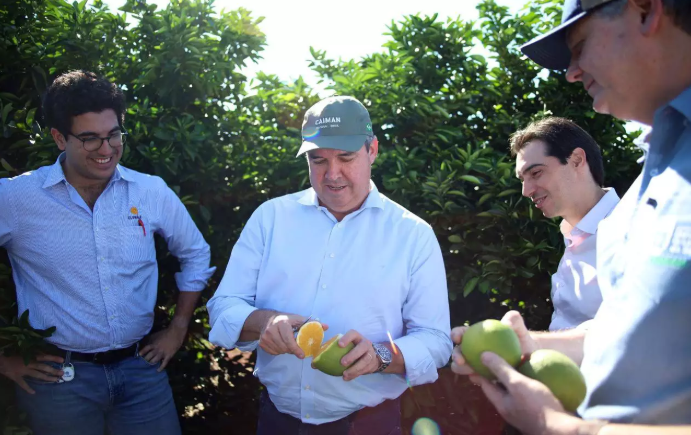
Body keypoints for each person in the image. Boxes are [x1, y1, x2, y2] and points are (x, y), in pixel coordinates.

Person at [451, 0, 691, 434]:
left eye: (580, 46)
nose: (571, 72)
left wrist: (559, 426)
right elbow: (620, 335)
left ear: (644, 10)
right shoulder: (650, 187)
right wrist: (527, 345)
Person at [207, 96, 452, 435]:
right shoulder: (271, 218)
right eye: (318, 159)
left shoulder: (413, 234)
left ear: (372, 150)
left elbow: (436, 340)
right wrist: (264, 322)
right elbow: (222, 307)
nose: (332, 174)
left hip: (369, 425)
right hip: (278, 420)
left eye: (346, 157)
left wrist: (381, 356)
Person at [0, 70, 216, 435]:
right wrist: (3, 360)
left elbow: (195, 254)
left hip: (142, 371)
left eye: (114, 134)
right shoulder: (16, 198)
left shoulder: (150, 191)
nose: (106, 149)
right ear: (58, 138)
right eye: (89, 138)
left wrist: (179, 328)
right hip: (59, 382)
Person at [511, 117, 619, 331]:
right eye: (522, 179)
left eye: (536, 173)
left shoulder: (631, 231)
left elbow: (628, 333)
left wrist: (532, 344)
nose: (526, 191)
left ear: (577, 160)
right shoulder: (573, 234)